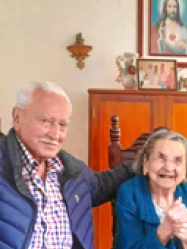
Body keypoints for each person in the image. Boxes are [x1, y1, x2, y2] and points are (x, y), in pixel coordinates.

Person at [0, 81, 134, 249]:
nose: (55, 134)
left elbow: (104, 184)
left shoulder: (70, 169)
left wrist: (147, 162)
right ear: (17, 118)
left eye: (62, 124)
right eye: (45, 121)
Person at [114, 130, 187, 249]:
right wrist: (164, 230)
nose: (168, 167)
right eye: (161, 158)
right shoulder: (130, 193)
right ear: (146, 163)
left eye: (177, 160)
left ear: (185, 170)